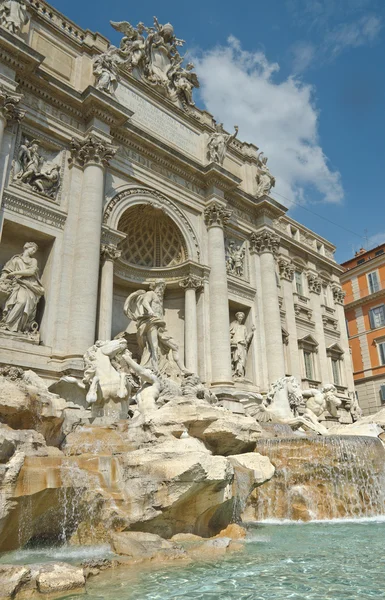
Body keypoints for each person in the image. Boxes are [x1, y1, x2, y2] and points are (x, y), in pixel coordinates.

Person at [0, 242, 44, 334]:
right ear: (27, 247)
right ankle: (7, 324)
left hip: (28, 285)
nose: (34, 251)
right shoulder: (15, 259)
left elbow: (31, 272)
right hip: (16, 284)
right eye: (33, 249)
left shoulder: (33, 261)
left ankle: (18, 327)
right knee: (20, 301)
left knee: (23, 302)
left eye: (35, 250)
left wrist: (15, 273)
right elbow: (6, 271)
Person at [229, 312, 255, 378]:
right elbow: (230, 334)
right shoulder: (233, 325)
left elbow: (247, 338)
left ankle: (241, 374)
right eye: (239, 317)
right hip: (236, 345)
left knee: (242, 360)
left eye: (242, 317)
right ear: (237, 317)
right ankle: (237, 373)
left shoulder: (244, 327)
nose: (240, 318)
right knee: (237, 359)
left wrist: (252, 332)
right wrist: (231, 341)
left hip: (243, 345)